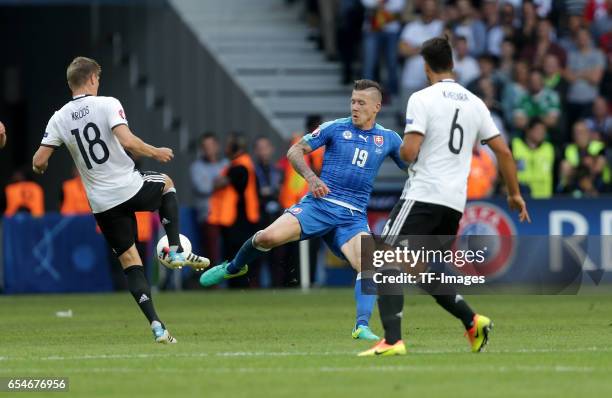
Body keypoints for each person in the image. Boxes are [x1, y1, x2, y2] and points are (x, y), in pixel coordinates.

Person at [359, 37, 530, 357]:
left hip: (423, 194)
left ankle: (392, 341)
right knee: (419, 269)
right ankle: (472, 321)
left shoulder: (422, 98)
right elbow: (504, 152)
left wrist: (390, 145)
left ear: (426, 67)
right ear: (452, 64)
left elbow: (409, 152)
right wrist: (515, 194)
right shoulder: (475, 102)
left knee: (381, 257)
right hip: (454, 204)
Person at [200, 79, 407, 341]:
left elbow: (411, 165)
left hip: (352, 217)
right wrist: (311, 178)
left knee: (368, 265)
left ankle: (361, 326)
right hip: (319, 206)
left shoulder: (388, 138)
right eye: (353, 101)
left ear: (376, 107)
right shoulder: (334, 128)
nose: (355, 107)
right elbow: (295, 150)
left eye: (361, 103)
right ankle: (233, 267)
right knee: (266, 238)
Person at [31, 56, 209, 344]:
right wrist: (155, 151)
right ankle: (175, 248)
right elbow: (127, 141)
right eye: (97, 79)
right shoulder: (107, 104)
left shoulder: (59, 117)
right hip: (127, 186)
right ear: (91, 79)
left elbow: (39, 161)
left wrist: (42, 166)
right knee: (166, 183)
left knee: (130, 261)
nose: (98, 83)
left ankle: (157, 325)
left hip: (101, 203)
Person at [208, 134, 261, 288]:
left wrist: (217, 181)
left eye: (228, 145)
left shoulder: (239, 166)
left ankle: (239, 285)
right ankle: (241, 284)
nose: (225, 149)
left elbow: (219, 184)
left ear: (235, 148)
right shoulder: (243, 164)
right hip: (241, 218)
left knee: (236, 254)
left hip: (239, 220)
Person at [190, 132, 227, 266]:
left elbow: (230, 183)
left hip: (227, 214)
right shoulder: (196, 167)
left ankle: (232, 283)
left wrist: (215, 183)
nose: (209, 149)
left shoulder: (226, 163)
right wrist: (219, 182)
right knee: (211, 252)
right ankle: (213, 284)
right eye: (205, 146)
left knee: (230, 250)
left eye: (211, 145)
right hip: (208, 215)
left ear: (217, 146)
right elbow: (203, 187)